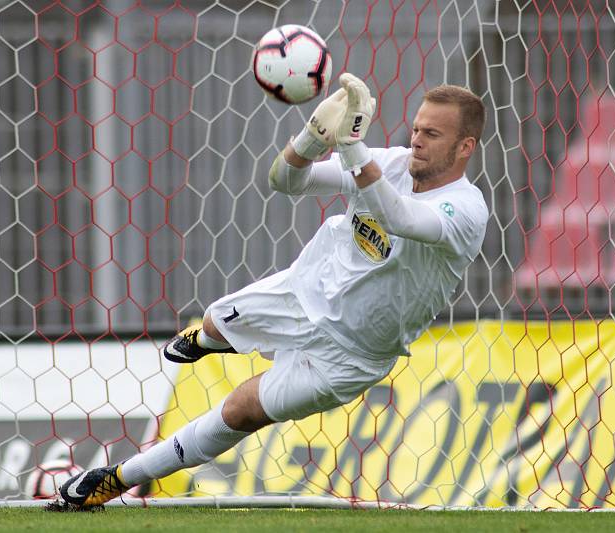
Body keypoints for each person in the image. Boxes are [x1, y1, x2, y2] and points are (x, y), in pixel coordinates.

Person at [50, 73, 489, 509]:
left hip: (353, 353)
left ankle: (117, 478)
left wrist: (352, 145)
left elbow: (401, 220)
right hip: (303, 292)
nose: (416, 140)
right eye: (415, 128)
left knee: (241, 411)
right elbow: (286, 181)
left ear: (464, 147)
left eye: (431, 133)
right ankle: (208, 339)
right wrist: (314, 135)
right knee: (212, 324)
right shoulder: (388, 162)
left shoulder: (466, 209)